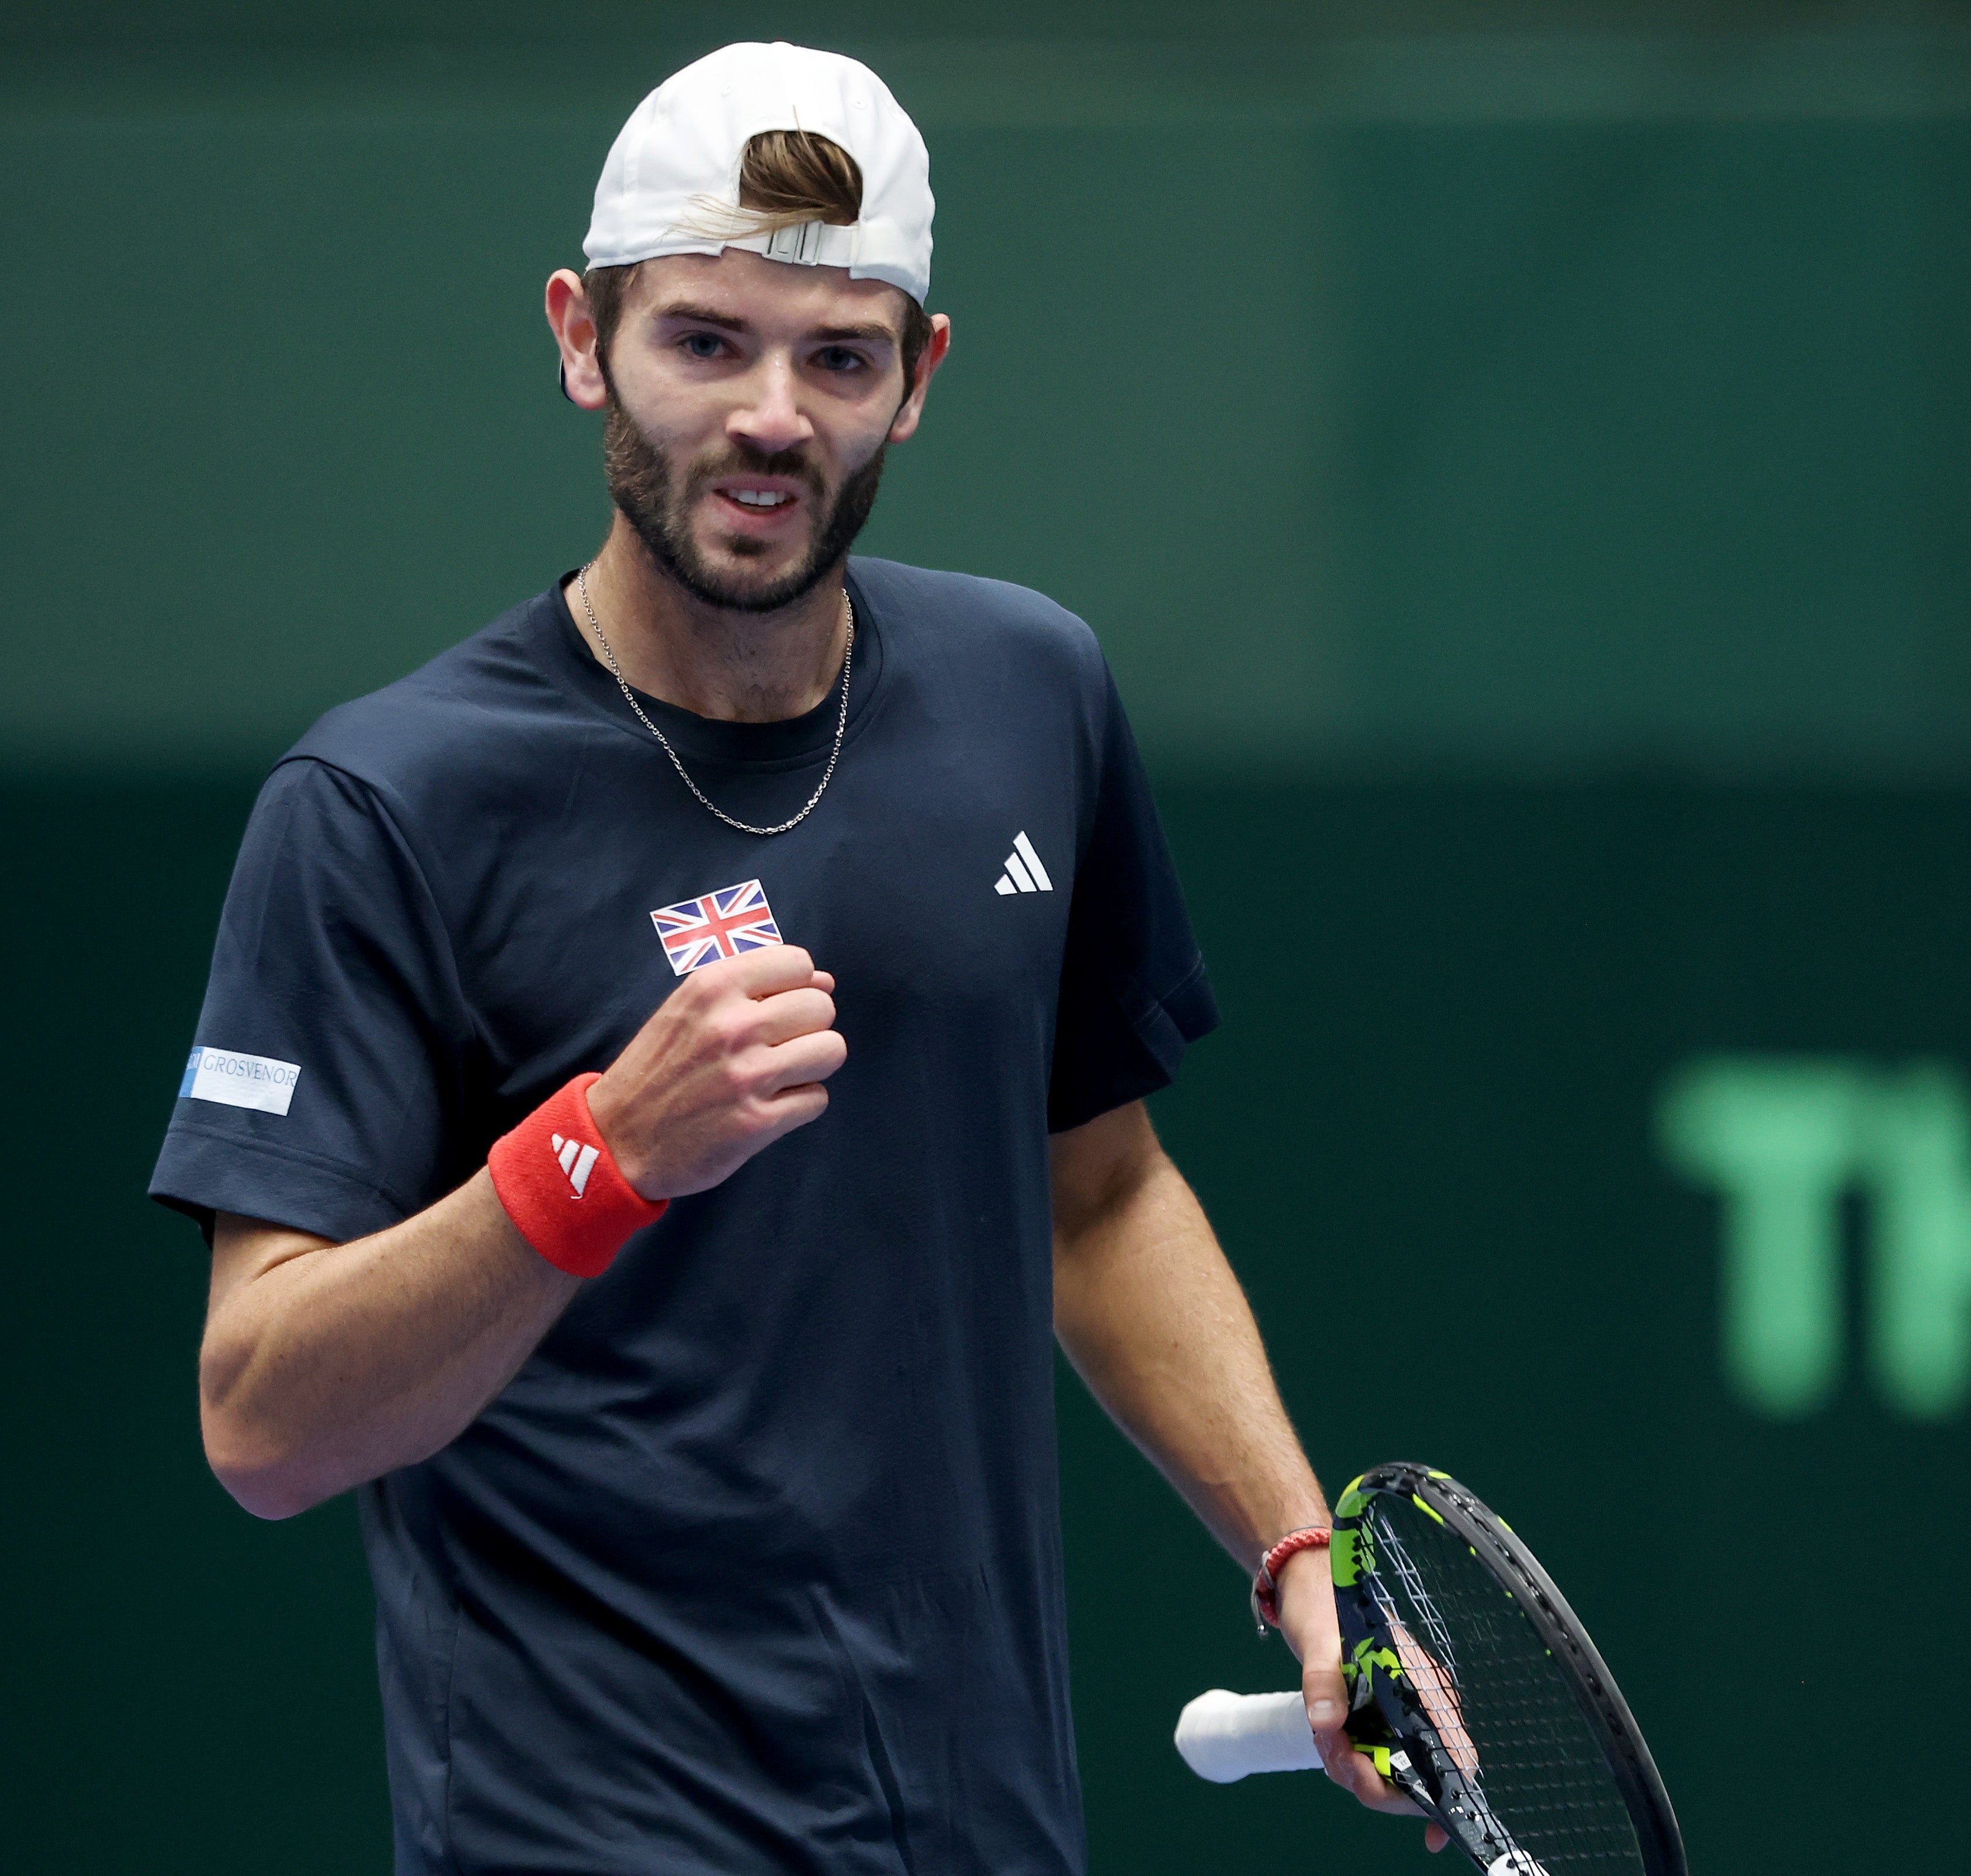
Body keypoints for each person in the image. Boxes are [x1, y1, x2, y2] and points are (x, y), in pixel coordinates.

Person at [151, 40, 1415, 1874]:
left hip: (983, 1831)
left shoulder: (1026, 691)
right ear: (583, 335)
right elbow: (260, 1421)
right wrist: (600, 1158)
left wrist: (1295, 1556)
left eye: (839, 357)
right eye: (707, 343)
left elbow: (1099, 1194)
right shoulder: (379, 805)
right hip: (589, 1839)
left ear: (919, 380)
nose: (771, 416)